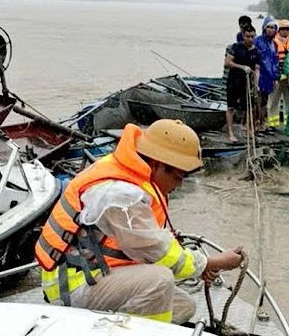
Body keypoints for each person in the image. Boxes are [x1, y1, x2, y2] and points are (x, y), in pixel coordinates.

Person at [36, 119, 245, 324]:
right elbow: (156, 250)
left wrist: (199, 268)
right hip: (73, 288)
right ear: (159, 165)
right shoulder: (119, 194)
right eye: (179, 177)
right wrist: (210, 262)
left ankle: (119, 328)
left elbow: (150, 241)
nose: (179, 185)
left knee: (183, 306)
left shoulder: (131, 173)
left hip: (97, 272)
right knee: (160, 280)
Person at [224, 25, 260, 142]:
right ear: (243, 36)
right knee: (230, 107)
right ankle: (230, 132)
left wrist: (256, 83)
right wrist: (242, 67)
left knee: (248, 107)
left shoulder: (256, 51)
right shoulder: (236, 47)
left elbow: (256, 69)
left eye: (252, 36)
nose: (250, 39)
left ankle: (248, 130)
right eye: (247, 36)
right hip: (234, 81)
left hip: (247, 83)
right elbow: (227, 62)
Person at [253, 16, 280, 132]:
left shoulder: (274, 44)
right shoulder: (257, 41)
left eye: (273, 28)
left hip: (268, 78)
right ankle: (255, 124)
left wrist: (276, 78)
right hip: (258, 75)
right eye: (269, 27)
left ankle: (262, 123)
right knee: (256, 101)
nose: (271, 30)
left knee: (264, 101)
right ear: (264, 28)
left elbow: (275, 62)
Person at [267, 19, 289, 128]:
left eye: (287, 29)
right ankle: (273, 124)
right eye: (283, 29)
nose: (285, 32)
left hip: (288, 76)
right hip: (276, 76)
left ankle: (288, 123)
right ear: (279, 30)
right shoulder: (272, 42)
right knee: (273, 100)